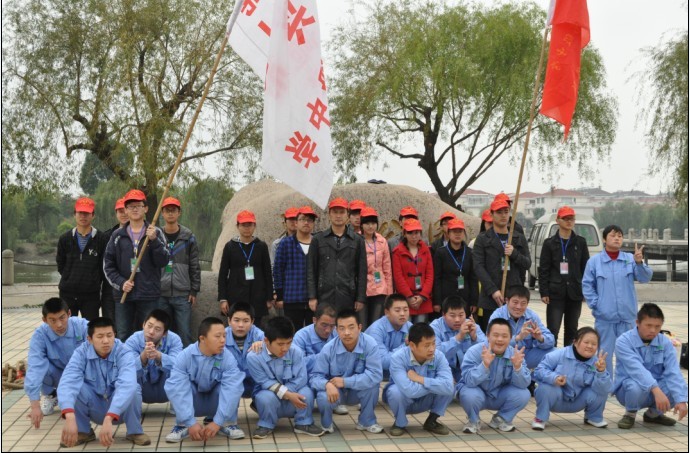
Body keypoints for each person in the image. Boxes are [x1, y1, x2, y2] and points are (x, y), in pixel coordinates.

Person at [57, 317, 150, 447]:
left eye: (109, 335)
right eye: (100, 336)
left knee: (133, 388)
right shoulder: (80, 353)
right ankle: (83, 432)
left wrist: (110, 416)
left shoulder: (124, 352)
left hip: (119, 410)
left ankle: (135, 432)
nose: (106, 341)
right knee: (77, 387)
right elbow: (68, 381)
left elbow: (126, 384)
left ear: (114, 335)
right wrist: (69, 415)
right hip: (95, 406)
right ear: (89, 339)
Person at [582, 225, 653, 373]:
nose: (617, 238)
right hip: (605, 318)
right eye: (613, 235)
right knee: (604, 354)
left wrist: (639, 263)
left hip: (627, 318)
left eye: (620, 236)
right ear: (604, 239)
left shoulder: (630, 259)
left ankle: (625, 383)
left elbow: (645, 278)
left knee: (628, 354)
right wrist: (597, 305)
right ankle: (605, 383)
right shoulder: (594, 262)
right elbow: (587, 286)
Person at [164, 317, 247, 442]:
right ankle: (182, 425)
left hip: (214, 399)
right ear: (202, 338)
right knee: (181, 387)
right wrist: (190, 422)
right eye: (217, 336)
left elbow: (233, 389)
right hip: (194, 400)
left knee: (232, 387)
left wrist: (218, 421)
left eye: (224, 336)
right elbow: (176, 389)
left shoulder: (228, 357)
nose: (223, 340)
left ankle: (228, 423)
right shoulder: (185, 356)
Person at [103, 189, 170, 341]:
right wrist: (121, 283)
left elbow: (164, 261)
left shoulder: (156, 232)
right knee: (123, 334)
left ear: (145, 208)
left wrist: (154, 241)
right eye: (130, 206)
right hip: (124, 294)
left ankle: (147, 356)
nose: (134, 209)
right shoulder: (117, 235)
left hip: (149, 294)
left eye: (138, 205)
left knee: (149, 335)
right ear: (125, 210)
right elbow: (108, 265)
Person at [246, 317, 325, 438]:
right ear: (266, 340)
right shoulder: (254, 357)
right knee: (264, 397)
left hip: (293, 392)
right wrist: (287, 394)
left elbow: (301, 378)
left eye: (289, 342)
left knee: (306, 392)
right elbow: (264, 382)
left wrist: (287, 392)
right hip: (270, 394)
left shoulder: (296, 351)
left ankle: (304, 423)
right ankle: (266, 424)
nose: (285, 348)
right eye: (280, 344)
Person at [613, 303, 688, 429]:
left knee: (677, 388)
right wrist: (656, 389)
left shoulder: (665, 342)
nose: (653, 330)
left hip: (656, 388)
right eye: (648, 325)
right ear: (637, 322)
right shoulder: (624, 341)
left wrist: (681, 399)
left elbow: (673, 371)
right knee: (635, 386)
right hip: (629, 389)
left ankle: (653, 415)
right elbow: (637, 370)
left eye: (657, 326)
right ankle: (630, 414)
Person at [311, 308, 384, 434]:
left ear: (359, 328)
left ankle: (367, 422)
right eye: (342, 328)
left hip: (358, 390)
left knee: (373, 386)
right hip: (337, 391)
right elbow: (315, 377)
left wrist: (345, 382)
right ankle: (326, 424)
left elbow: (376, 374)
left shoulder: (370, 344)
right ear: (336, 330)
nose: (347, 333)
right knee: (323, 395)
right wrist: (327, 384)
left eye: (351, 327)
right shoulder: (328, 348)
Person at [458, 318, 531, 434]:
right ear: (487, 335)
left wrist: (518, 368)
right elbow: (468, 381)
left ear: (510, 338)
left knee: (524, 394)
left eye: (504, 336)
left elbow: (524, 384)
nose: (500, 339)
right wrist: (484, 365)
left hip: (499, 395)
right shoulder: (474, 351)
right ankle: (473, 420)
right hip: (478, 394)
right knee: (468, 393)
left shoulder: (515, 354)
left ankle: (501, 419)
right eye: (495, 335)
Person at [25, 298, 89, 428]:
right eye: (52, 320)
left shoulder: (83, 326)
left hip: (83, 374)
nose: (59, 325)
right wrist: (35, 406)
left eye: (62, 318)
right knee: (36, 367)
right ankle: (52, 395)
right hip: (59, 375)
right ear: (44, 320)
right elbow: (35, 368)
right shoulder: (40, 335)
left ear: (69, 313)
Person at [532, 327, 611, 430]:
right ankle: (540, 418)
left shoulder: (597, 363)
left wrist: (601, 372)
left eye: (594, 344)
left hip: (578, 401)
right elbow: (539, 370)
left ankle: (593, 417)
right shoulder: (559, 354)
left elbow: (606, 388)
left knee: (601, 387)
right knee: (545, 387)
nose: (590, 346)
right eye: (586, 342)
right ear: (575, 342)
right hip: (556, 399)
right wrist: (554, 378)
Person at [384, 323, 454, 436]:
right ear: (412, 345)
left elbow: (449, 387)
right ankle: (399, 423)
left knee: (449, 388)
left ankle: (431, 421)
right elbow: (409, 391)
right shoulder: (398, 358)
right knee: (394, 392)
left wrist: (420, 379)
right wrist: (436, 385)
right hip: (405, 400)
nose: (432, 349)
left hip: (426, 399)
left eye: (434, 343)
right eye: (427, 345)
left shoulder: (439, 356)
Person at [472, 198, 531, 332]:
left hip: (513, 297)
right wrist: (493, 290)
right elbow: (478, 267)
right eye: (499, 212)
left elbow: (527, 263)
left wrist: (514, 254)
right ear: (491, 214)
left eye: (506, 211)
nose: (503, 215)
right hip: (490, 298)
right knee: (491, 335)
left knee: (513, 336)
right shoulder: (482, 239)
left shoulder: (518, 238)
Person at [307, 197, 367, 321]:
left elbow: (362, 271)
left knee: (346, 326)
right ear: (329, 214)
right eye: (335, 212)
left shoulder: (357, 240)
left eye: (342, 212)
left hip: (348, 294)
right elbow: (311, 270)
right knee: (325, 327)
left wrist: (360, 298)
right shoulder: (318, 239)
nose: (338, 216)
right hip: (324, 294)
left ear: (347, 215)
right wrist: (312, 296)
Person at [538, 206, 590, 347]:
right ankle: (551, 355)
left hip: (575, 292)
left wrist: (585, 290)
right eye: (565, 219)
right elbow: (544, 269)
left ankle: (568, 356)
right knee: (553, 329)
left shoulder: (580, 242)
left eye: (571, 219)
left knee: (572, 330)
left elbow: (585, 268)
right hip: (555, 293)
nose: (569, 221)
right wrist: (544, 291)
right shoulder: (549, 243)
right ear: (558, 221)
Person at [218, 210, 273, 329]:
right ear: (237, 226)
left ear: (254, 226)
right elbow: (223, 274)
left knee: (255, 328)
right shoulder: (230, 246)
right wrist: (223, 298)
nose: (247, 228)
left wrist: (269, 297)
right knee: (236, 327)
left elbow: (268, 273)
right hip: (235, 295)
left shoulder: (261, 246)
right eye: (243, 225)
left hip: (257, 295)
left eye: (250, 225)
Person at [158, 197, 201, 347]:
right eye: (167, 210)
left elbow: (194, 264)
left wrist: (194, 290)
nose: (170, 213)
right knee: (161, 333)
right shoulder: (156, 236)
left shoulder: (188, 237)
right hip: (160, 293)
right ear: (162, 213)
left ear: (179, 213)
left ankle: (186, 360)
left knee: (184, 333)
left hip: (182, 294)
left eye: (173, 210)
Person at [56, 197, 106, 320]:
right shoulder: (65, 239)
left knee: (90, 327)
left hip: (91, 294)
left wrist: (93, 280)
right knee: (68, 326)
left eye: (87, 213)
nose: (83, 216)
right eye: (80, 213)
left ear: (93, 215)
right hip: (67, 293)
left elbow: (103, 266)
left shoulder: (102, 239)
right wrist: (69, 277)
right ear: (75, 214)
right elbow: (60, 264)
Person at [488, 285, 555, 374]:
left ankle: (537, 376)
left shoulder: (532, 316)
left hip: (526, 356)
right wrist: (518, 337)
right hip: (504, 356)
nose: (519, 307)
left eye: (523, 303)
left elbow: (551, 341)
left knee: (556, 353)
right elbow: (490, 342)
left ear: (527, 303)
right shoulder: (497, 316)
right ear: (507, 301)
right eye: (515, 302)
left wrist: (540, 338)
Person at [124, 309, 183, 405]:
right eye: (149, 326)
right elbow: (127, 370)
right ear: (143, 324)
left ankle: (179, 410)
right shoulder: (133, 341)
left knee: (184, 371)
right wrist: (143, 357)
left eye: (157, 329)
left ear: (165, 333)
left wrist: (158, 356)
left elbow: (178, 366)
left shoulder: (174, 340)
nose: (151, 332)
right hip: (142, 388)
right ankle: (133, 409)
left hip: (166, 389)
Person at [274, 206, 318, 329]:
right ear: (296, 222)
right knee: (292, 332)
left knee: (313, 333)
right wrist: (280, 295)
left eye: (310, 220)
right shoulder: (285, 243)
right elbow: (278, 270)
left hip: (313, 299)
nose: (306, 223)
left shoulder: (318, 243)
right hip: (292, 297)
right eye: (303, 219)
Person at [430, 295, 486, 382]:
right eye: (452, 315)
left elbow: (487, 348)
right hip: (442, 369)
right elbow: (434, 353)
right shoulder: (435, 327)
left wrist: (474, 338)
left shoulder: (472, 325)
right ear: (443, 315)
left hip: (466, 369)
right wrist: (458, 338)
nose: (457, 320)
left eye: (461, 315)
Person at [433, 218, 478, 317]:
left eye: (460, 231)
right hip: (446, 298)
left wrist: (474, 301)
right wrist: (437, 301)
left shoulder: (470, 253)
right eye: (454, 231)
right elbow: (437, 278)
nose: (458, 234)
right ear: (448, 233)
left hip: (465, 298)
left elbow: (473, 278)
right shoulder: (441, 253)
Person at [392, 218, 434, 323]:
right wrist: (409, 296)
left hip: (422, 300)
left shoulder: (426, 250)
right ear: (404, 234)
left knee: (421, 329)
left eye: (417, 233)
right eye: (410, 233)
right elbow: (398, 277)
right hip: (405, 300)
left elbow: (430, 275)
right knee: (406, 329)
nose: (414, 236)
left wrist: (422, 296)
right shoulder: (398, 252)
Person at [360, 207, 393, 328]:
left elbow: (387, 268)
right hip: (362, 289)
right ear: (362, 224)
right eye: (367, 223)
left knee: (376, 325)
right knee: (362, 325)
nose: (370, 226)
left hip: (380, 289)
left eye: (373, 223)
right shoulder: (356, 240)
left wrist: (389, 292)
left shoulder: (382, 241)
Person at [365, 294, 412, 375]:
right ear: (387, 312)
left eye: (405, 310)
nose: (402, 314)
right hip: (374, 374)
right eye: (397, 310)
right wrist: (406, 345)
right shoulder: (376, 330)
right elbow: (383, 362)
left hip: (398, 373)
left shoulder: (410, 327)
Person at [224, 302, 265, 398]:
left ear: (252, 321)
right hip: (230, 381)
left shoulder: (259, 335)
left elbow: (273, 345)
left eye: (246, 321)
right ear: (229, 321)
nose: (241, 325)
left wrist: (264, 345)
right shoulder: (222, 336)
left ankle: (258, 402)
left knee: (266, 396)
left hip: (256, 381)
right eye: (236, 320)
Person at [101, 197, 129, 323]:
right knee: (110, 323)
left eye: (125, 210)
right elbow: (102, 264)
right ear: (116, 213)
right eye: (120, 211)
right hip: (110, 288)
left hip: (132, 286)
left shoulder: (141, 234)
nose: (124, 214)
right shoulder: (106, 236)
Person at [292, 303, 338, 374]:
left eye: (332, 326)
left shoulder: (338, 333)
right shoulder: (300, 337)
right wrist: (325, 355)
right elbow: (297, 365)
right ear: (314, 320)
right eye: (324, 325)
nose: (328, 330)